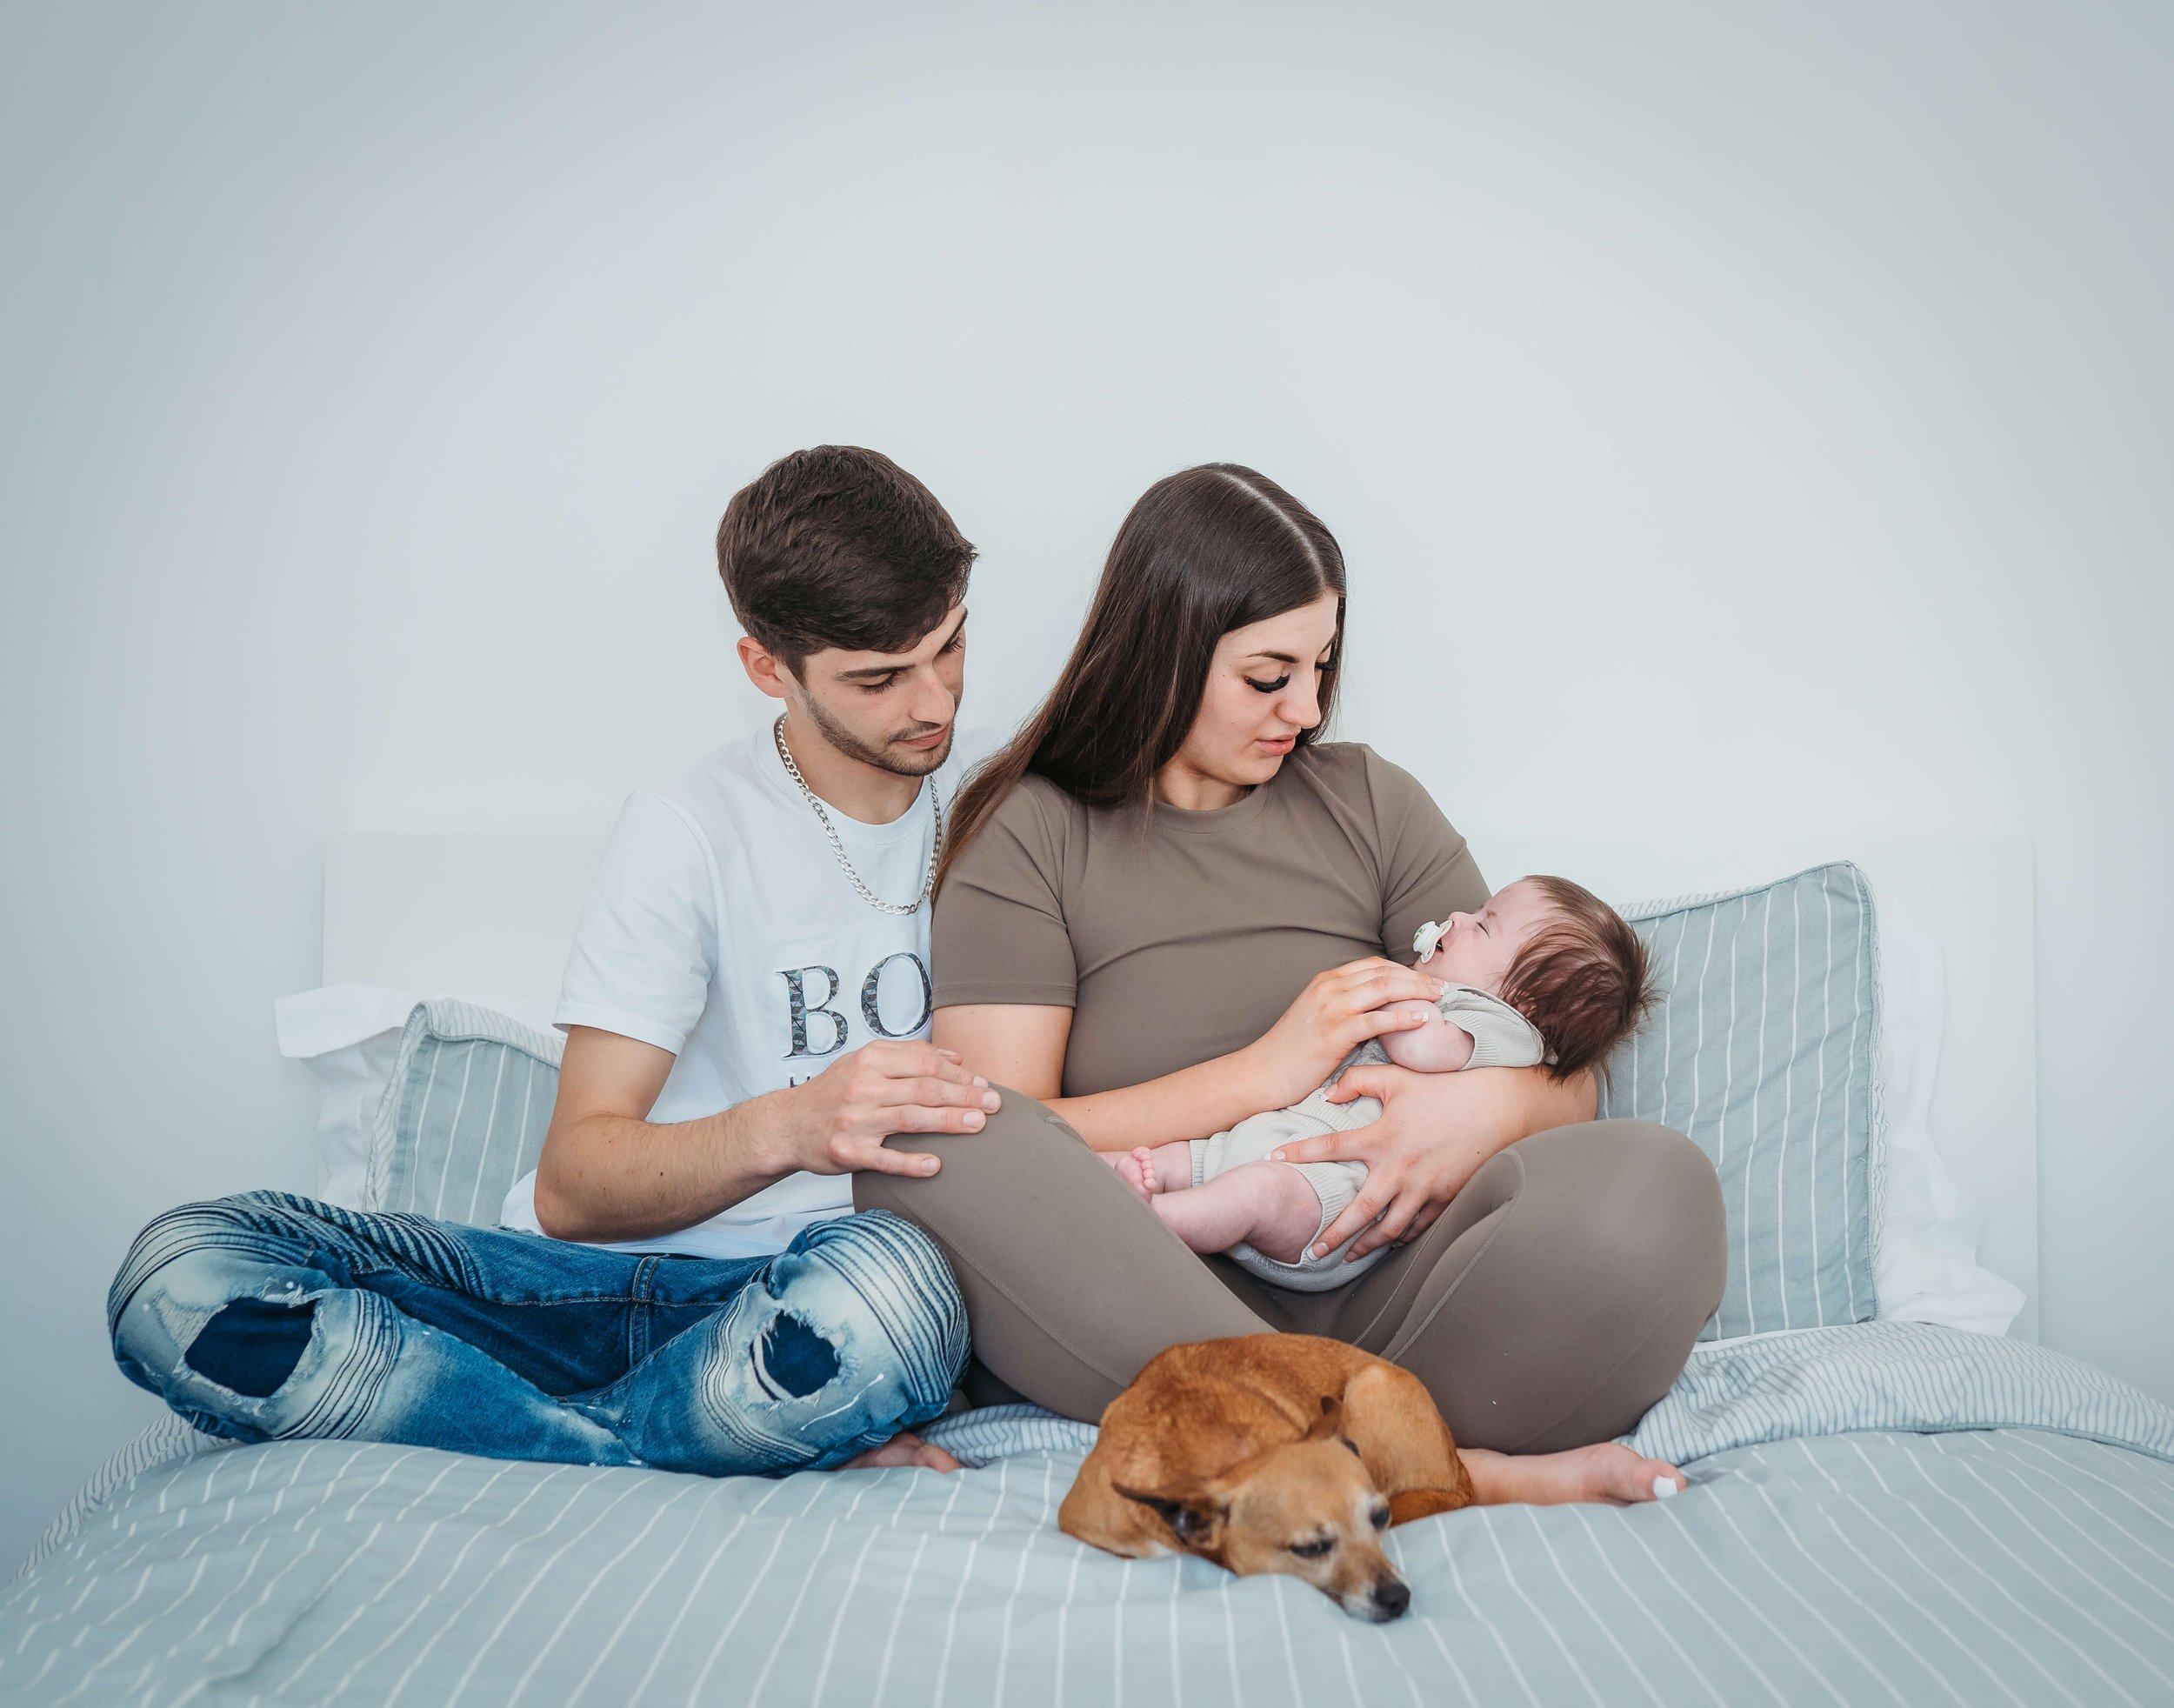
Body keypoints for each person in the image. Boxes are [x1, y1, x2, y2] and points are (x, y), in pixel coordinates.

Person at [109, 446, 999, 1477]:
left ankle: (526, 1422)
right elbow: (577, 1182)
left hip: (818, 1295)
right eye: (880, 678)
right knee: (177, 1270)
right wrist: (798, 1124)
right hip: (573, 1288)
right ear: (767, 667)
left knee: (900, 1293)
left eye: (951, 645)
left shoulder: (1007, 800)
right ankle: (686, 1435)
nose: (933, 699)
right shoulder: (688, 828)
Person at [857, 463, 1726, 1506]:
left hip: (1400, 1293)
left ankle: (1323, 1447)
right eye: (1269, 676)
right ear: (1165, 651)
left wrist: (1472, 1115)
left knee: (1655, 1184)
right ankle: (1436, 1466)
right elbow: (1010, 1126)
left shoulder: (1370, 801)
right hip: (1147, 1290)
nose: (1305, 708)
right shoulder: (1030, 831)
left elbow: (1530, 1036)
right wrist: (1263, 1070)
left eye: (1321, 665)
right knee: (923, 1142)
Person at [1110, 875, 1656, 1292]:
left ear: (1526, 1004)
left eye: (1483, 924)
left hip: (1328, 1199)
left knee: (1251, 1195)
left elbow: (1420, 1044)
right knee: (1175, 1160)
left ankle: (1158, 1221)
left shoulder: (1505, 1032)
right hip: (1275, 1143)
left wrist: (1399, 986)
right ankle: (1109, 1183)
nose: (1459, 917)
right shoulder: (1459, 1000)